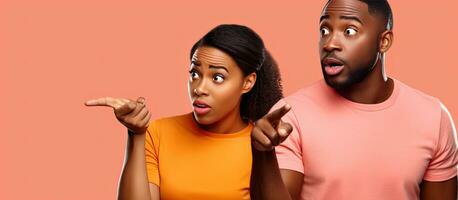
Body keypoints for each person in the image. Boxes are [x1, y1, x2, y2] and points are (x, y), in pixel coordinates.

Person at [250, 0, 458, 199]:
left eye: (349, 31)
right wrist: (263, 154)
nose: (330, 43)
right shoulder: (288, 117)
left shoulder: (432, 117)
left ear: (383, 41)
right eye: (324, 30)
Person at [85, 24, 283, 199]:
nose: (199, 88)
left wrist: (264, 153)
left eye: (218, 78)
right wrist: (136, 134)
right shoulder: (159, 133)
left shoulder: (264, 141)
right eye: (195, 74)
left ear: (247, 82)